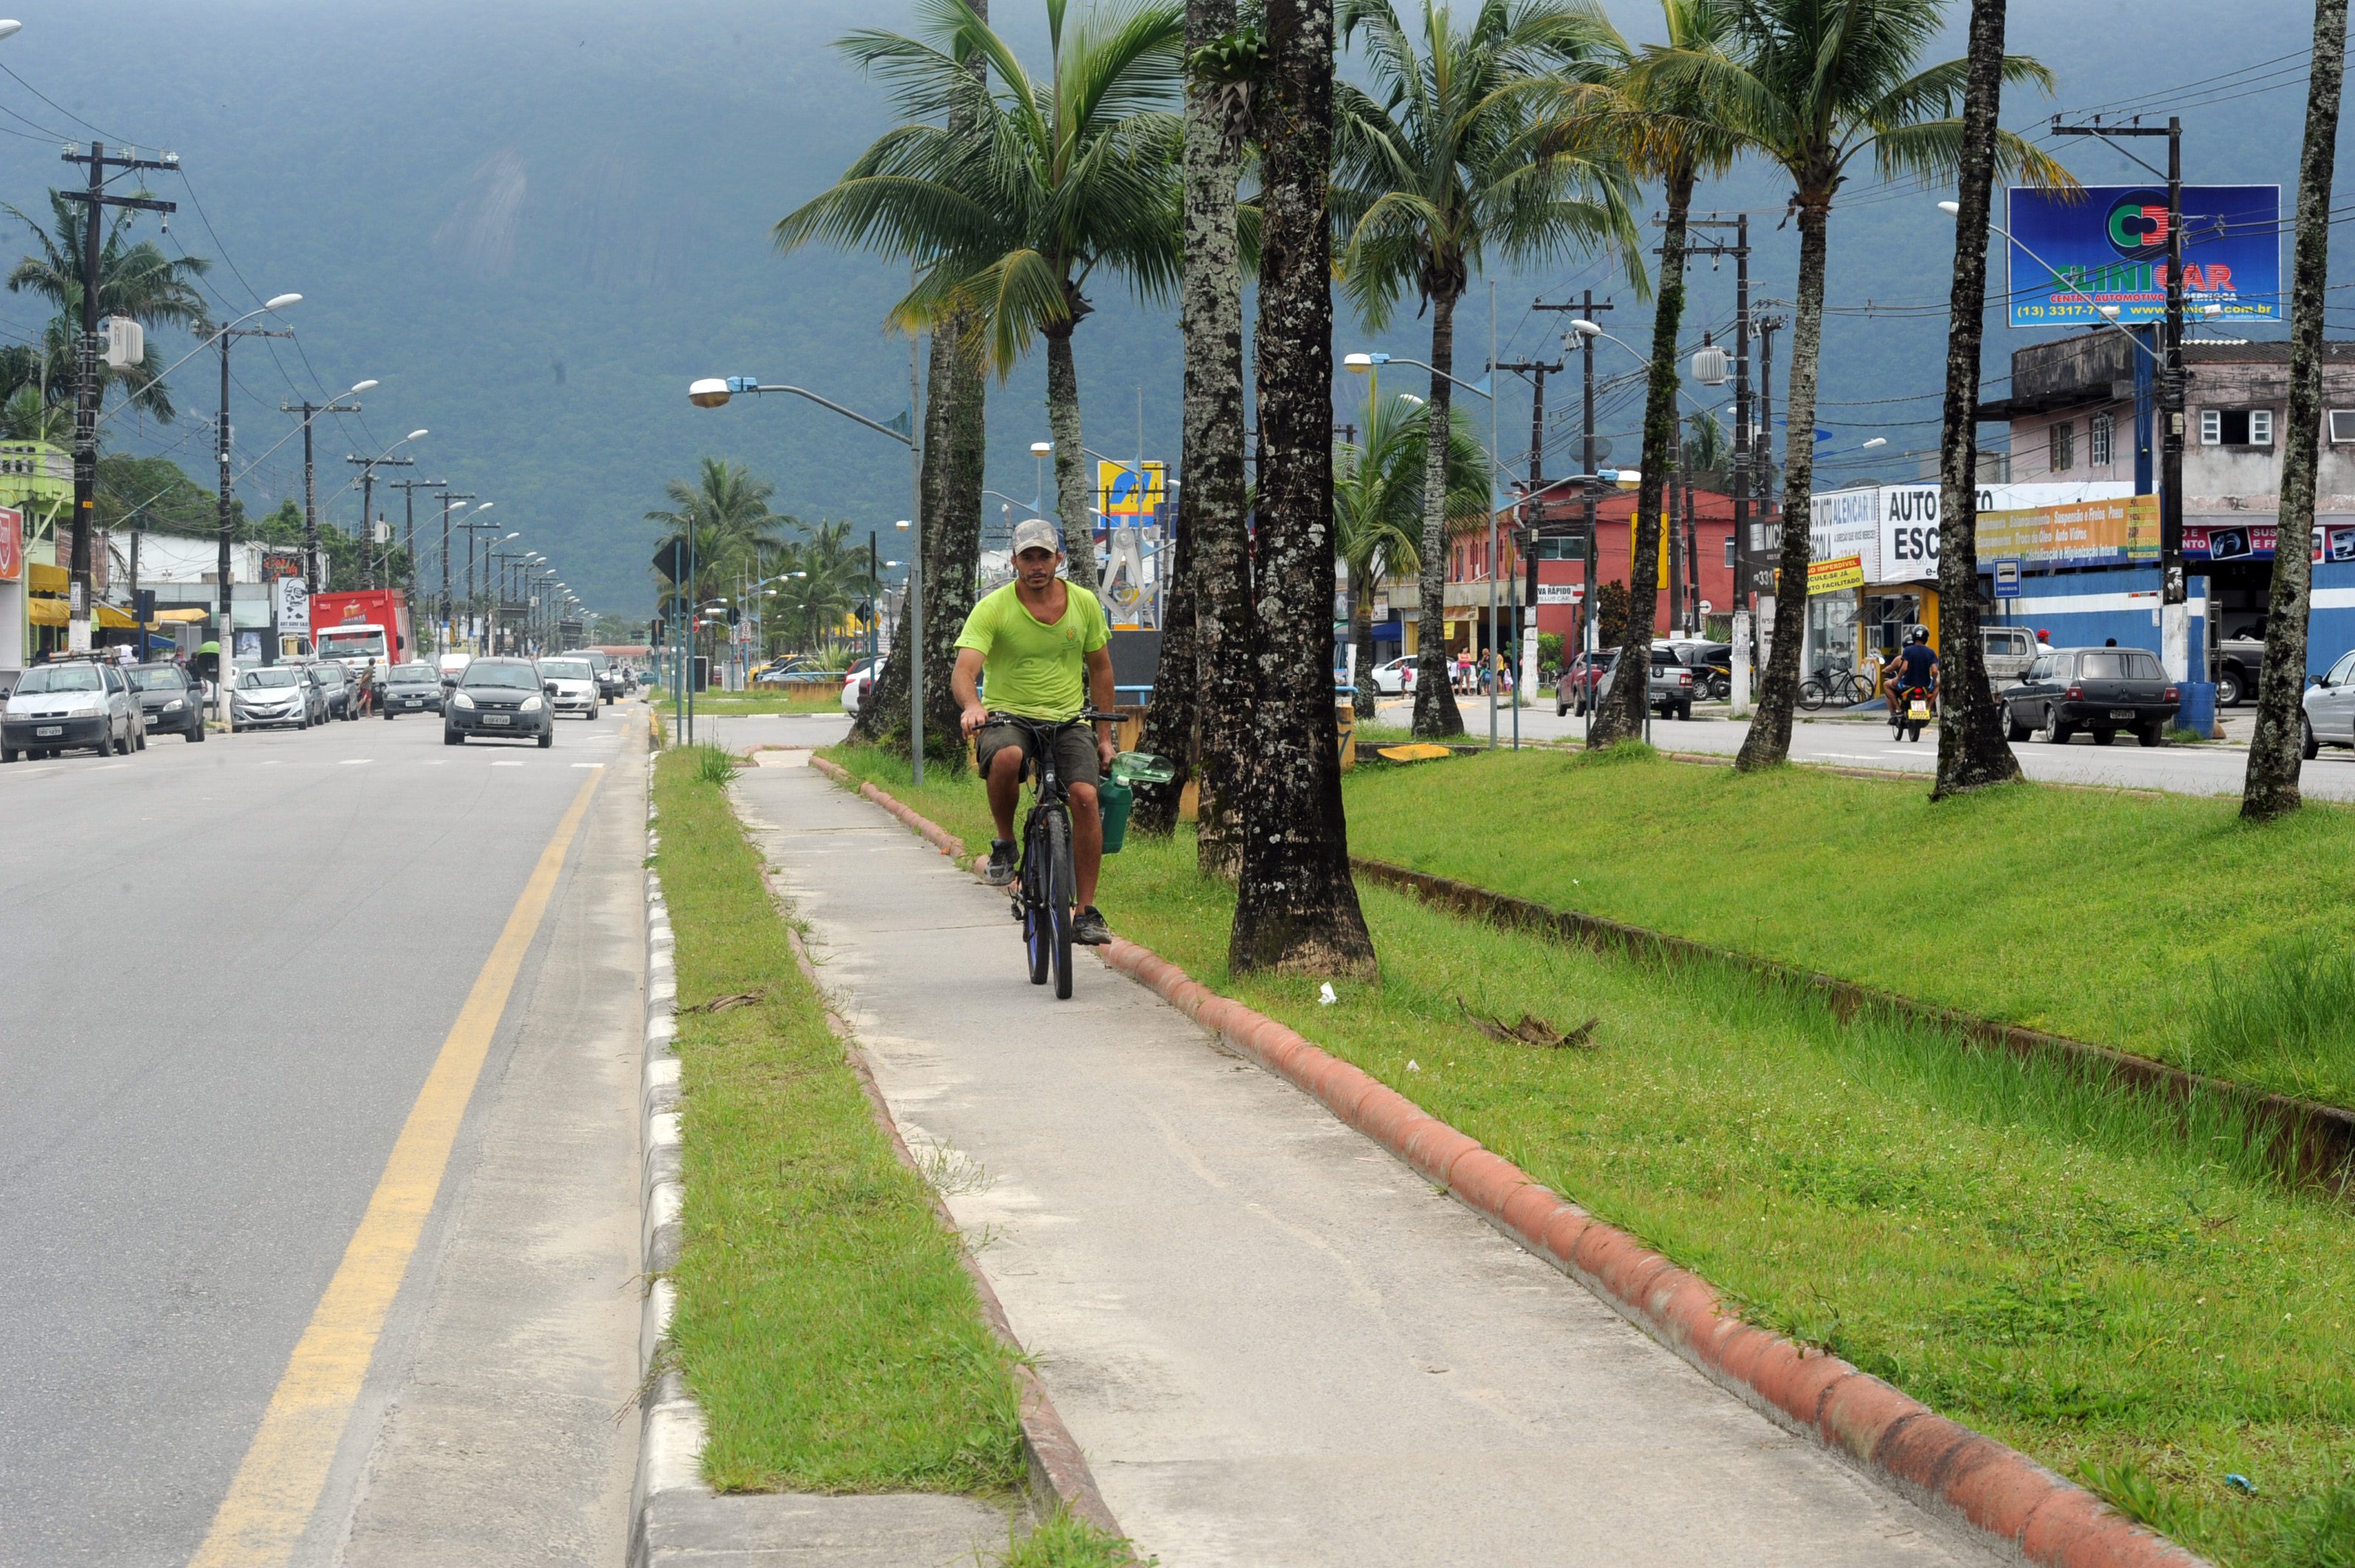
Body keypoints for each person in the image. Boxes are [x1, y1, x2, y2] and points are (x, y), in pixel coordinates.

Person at [953, 518, 1118, 946]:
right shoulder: (993, 607)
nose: (1036, 565)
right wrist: (974, 706)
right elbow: (965, 670)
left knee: (1084, 796)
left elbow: (1101, 670)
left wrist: (1103, 737)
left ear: (1058, 559)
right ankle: (1006, 844)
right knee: (1006, 758)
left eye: (1044, 555)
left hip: (1069, 720)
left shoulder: (1083, 604)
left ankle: (1086, 911)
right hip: (1009, 717)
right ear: (1014, 562)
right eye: (1027, 557)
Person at [1888, 626, 1939, 720]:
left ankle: (1898, 710)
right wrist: (1935, 681)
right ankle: (1929, 708)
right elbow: (1935, 671)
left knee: (1886, 685)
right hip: (1925, 685)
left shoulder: (1908, 650)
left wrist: (1897, 679)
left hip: (1907, 684)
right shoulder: (1931, 652)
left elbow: (1904, 668)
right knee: (1939, 685)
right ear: (1926, 638)